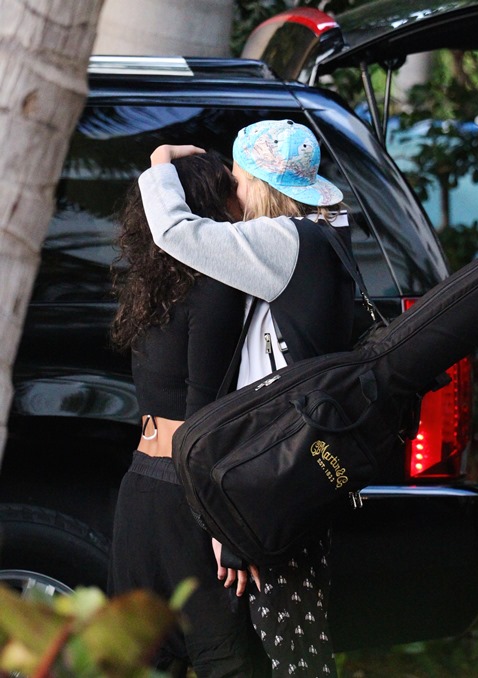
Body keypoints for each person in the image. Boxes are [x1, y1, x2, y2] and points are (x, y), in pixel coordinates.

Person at [138, 119, 356, 676]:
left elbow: (176, 231)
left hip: (278, 482)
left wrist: (161, 162)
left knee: (293, 656)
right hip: (294, 472)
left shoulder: (285, 243)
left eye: (237, 179)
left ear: (259, 184)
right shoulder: (321, 235)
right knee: (293, 650)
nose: (231, 192)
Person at [108, 152, 270, 676]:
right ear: (211, 206)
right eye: (230, 191)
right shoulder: (215, 288)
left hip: (140, 491)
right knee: (229, 660)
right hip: (186, 495)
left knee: (143, 662)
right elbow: (204, 419)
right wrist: (221, 529)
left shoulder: (150, 287)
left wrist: (171, 160)